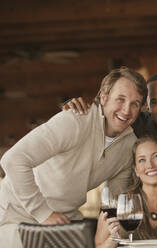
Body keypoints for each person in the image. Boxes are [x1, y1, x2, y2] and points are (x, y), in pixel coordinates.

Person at [0, 66, 148, 248]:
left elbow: (115, 202)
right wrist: (43, 213)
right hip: (16, 217)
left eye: (135, 103)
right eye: (120, 99)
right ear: (103, 97)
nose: (126, 110)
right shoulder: (75, 120)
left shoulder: (129, 146)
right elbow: (13, 160)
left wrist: (108, 237)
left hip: (63, 222)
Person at [95, 136, 157, 248]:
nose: (150, 165)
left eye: (156, 156)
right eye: (142, 160)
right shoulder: (116, 207)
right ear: (136, 170)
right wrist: (113, 239)